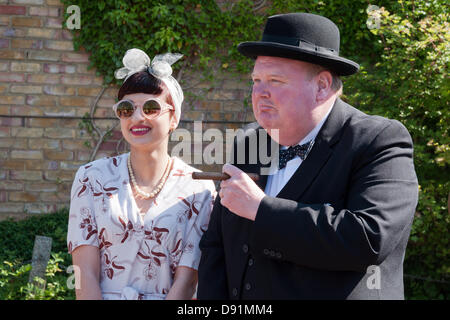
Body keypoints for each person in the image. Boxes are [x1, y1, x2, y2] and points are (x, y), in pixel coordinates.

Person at [197, 13, 418, 299]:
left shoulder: (378, 140)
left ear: (322, 86)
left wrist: (260, 209)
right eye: (256, 80)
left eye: (275, 80)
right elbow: (217, 247)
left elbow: (368, 238)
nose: (259, 92)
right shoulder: (250, 142)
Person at [67, 48, 216, 300]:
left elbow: (188, 280)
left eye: (150, 107)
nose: (137, 117)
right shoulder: (91, 178)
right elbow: (85, 274)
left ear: (173, 118)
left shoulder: (198, 189)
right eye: (126, 108)